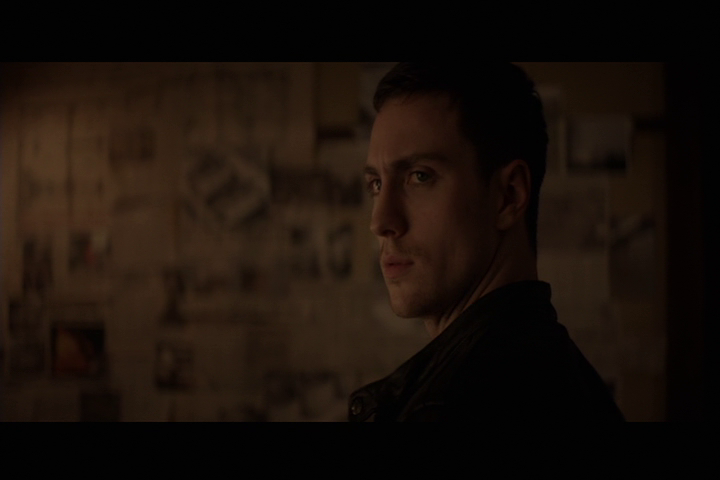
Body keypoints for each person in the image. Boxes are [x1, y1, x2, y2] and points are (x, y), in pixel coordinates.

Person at [348, 62, 624, 422]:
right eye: (376, 184)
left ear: (508, 196)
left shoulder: (462, 404)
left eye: (419, 176)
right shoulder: (554, 367)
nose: (380, 222)